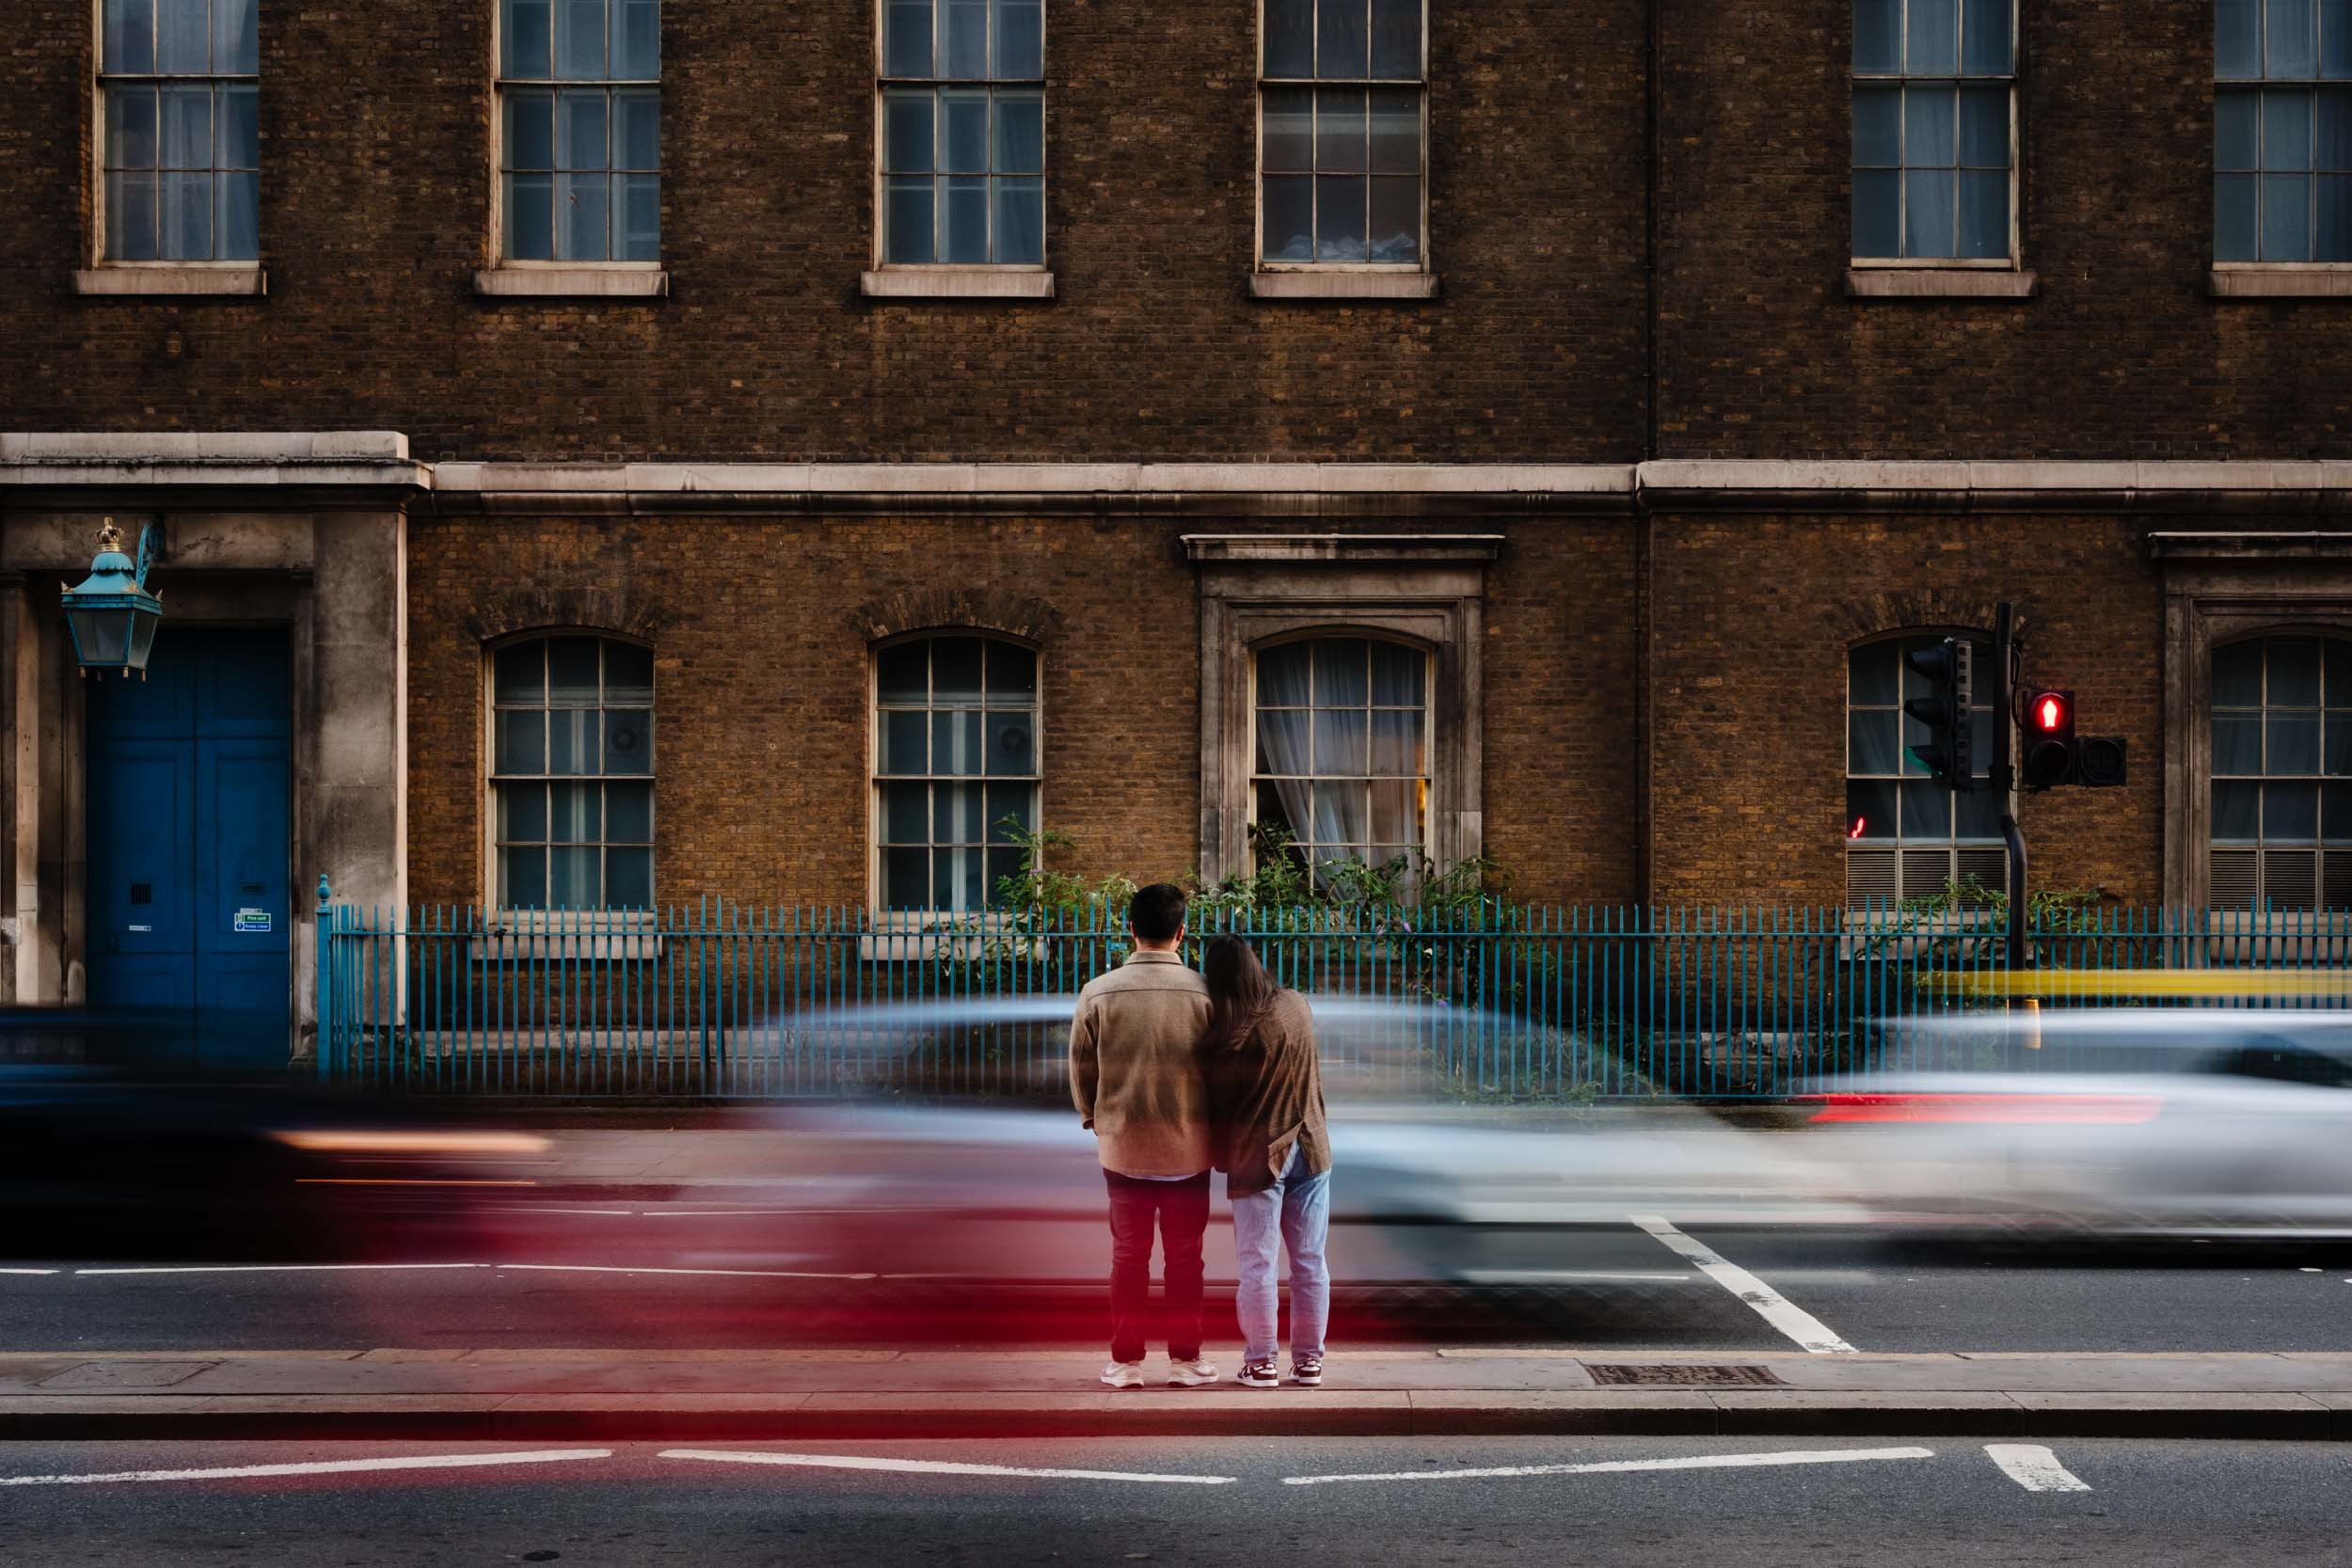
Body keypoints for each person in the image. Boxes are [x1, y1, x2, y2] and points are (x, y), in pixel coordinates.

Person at [1068, 882, 1217, 1389]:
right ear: (1182, 931)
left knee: (1127, 1257)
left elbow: (1081, 1071)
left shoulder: (1099, 992)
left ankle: (1126, 1362)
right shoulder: (1205, 994)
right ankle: (1185, 1360)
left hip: (1123, 1148)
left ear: (1130, 929)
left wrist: (1097, 1119)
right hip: (1189, 1148)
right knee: (1185, 1259)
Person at [1202, 932, 1331, 1388]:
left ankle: (1262, 1363)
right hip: (1312, 1147)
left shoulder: (1229, 1037)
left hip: (1260, 1156)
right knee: (1310, 1260)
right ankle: (1310, 1362)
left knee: (1258, 1264)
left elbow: (1218, 1111)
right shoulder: (1297, 1004)